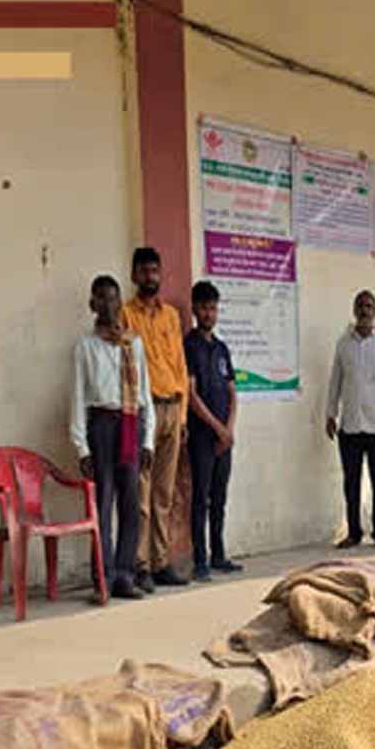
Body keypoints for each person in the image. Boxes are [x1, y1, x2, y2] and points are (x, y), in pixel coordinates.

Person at [71, 275, 155, 603]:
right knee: (103, 502)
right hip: (102, 426)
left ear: (121, 303)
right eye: (101, 298)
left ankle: (124, 574)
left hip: (131, 424)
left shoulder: (133, 344)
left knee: (131, 502)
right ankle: (102, 578)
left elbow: (144, 393)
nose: (108, 305)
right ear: (92, 304)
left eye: (113, 298)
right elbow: (78, 398)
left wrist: (148, 441)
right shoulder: (84, 346)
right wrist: (81, 447)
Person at [121, 246, 190, 592]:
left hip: (173, 408)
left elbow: (180, 364)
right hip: (144, 411)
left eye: (155, 270)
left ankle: (161, 562)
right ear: (134, 275)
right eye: (144, 271)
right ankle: (140, 565)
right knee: (142, 495)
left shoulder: (171, 316)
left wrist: (183, 415)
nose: (151, 276)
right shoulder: (124, 314)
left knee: (164, 492)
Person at [325, 290, 375, 550]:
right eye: (360, 305)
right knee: (351, 483)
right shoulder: (343, 344)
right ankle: (354, 533)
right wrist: (330, 414)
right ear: (354, 310)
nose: (364, 310)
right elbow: (335, 381)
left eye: (369, 306)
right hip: (350, 426)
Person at [184, 280, 242, 581]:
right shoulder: (189, 346)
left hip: (223, 438)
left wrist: (228, 430)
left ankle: (219, 554)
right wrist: (218, 429)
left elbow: (232, 392)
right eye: (204, 308)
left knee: (220, 497)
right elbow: (191, 395)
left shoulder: (221, 349)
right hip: (202, 436)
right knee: (201, 498)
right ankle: (200, 560)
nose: (209, 314)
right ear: (195, 309)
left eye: (213, 308)